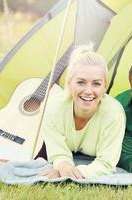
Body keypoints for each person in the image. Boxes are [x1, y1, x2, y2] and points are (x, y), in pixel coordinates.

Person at [39, 44, 126, 179]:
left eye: (96, 84)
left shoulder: (114, 114)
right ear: (69, 83)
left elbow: (106, 164)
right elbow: (58, 153)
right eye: (81, 82)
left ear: (105, 87)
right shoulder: (53, 108)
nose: (88, 91)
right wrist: (62, 165)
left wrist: (66, 174)